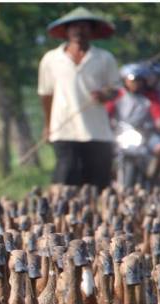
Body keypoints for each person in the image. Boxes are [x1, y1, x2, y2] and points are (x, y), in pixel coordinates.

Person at [37, 7, 120, 190]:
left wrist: (104, 94)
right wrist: (48, 124)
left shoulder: (104, 58)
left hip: (97, 130)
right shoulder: (51, 59)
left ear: (91, 31)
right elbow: (46, 94)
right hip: (64, 127)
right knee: (65, 179)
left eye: (84, 27)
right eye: (74, 27)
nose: (79, 31)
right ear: (66, 31)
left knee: (97, 183)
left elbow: (115, 89)